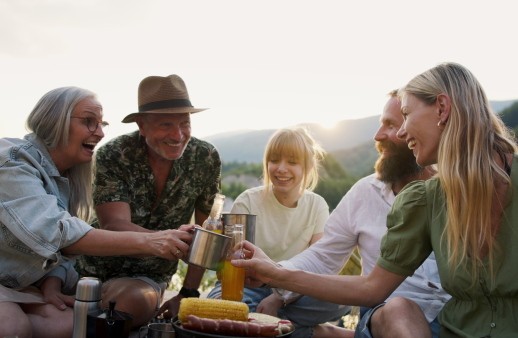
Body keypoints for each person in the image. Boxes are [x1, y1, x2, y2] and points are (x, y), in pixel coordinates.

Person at [233, 62, 518, 337]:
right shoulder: (426, 202)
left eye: (406, 115)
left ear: (442, 109)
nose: (402, 130)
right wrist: (275, 273)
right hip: (455, 331)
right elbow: (372, 288)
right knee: (397, 308)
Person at [0, 87, 193, 338]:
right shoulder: (13, 162)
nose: (100, 133)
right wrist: (154, 241)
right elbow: (57, 233)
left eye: (101, 124)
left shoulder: (65, 176)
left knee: (72, 324)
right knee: (12, 328)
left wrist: (52, 281)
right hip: (9, 281)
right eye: (89, 122)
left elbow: (57, 251)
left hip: (21, 282)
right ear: (54, 121)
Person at [273, 90, 450, 338]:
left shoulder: (456, 192)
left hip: (453, 319)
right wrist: (272, 275)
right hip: (385, 316)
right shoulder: (365, 192)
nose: (378, 136)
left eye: (391, 124)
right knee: (398, 309)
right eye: (381, 124)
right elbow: (324, 256)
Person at [75, 74, 222, 327]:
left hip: (147, 278)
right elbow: (114, 225)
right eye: (165, 124)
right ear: (142, 125)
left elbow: (207, 234)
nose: (178, 135)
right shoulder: (115, 153)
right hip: (91, 268)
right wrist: (165, 239)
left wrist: (188, 293)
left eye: (184, 123)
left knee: (129, 305)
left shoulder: (206, 157)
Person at [207, 127, 350, 338]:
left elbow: (320, 268)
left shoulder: (317, 205)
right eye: (274, 160)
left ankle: (262, 324)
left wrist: (279, 298)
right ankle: (310, 332)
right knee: (221, 308)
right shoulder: (247, 201)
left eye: (292, 162)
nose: (281, 169)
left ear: (308, 166)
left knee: (342, 299)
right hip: (247, 289)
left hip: (296, 293)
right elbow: (230, 268)